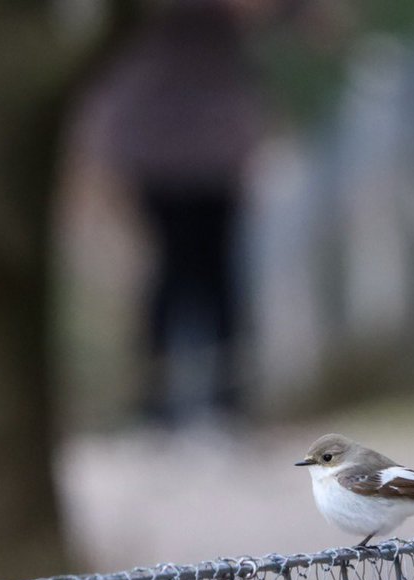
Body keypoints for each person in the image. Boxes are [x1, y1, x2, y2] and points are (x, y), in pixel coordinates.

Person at [84, 0, 269, 425]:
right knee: (175, 269)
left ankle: (224, 398)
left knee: (213, 271)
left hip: (215, 141)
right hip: (156, 141)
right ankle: (160, 400)